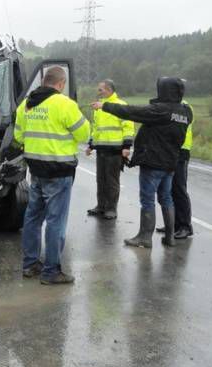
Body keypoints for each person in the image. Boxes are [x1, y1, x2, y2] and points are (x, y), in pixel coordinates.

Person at [91, 77, 192, 249]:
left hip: (153, 161)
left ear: (166, 91)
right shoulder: (185, 111)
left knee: (147, 200)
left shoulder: (161, 110)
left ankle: (145, 237)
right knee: (166, 198)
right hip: (171, 162)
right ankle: (170, 237)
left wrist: (105, 106)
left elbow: (132, 112)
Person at [14, 66, 90, 284]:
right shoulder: (65, 104)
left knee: (33, 217)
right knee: (56, 221)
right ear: (61, 84)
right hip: (59, 172)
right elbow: (84, 133)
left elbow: (19, 136)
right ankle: (51, 272)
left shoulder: (26, 104)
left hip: (36, 171)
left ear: (44, 81)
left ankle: (30, 264)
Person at [85, 79, 135, 220]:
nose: (98, 92)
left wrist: (126, 146)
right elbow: (96, 129)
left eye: (100, 89)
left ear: (109, 90)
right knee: (100, 180)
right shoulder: (99, 108)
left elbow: (128, 128)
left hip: (115, 151)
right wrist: (90, 145)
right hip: (101, 150)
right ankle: (101, 206)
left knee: (112, 181)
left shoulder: (121, 105)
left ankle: (111, 209)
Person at [157, 101, 194, 239]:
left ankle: (185, 226)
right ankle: (172, 224)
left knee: (179, 189)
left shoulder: (184, 107)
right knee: (169, 189)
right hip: (169, 151)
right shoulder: (169, 105)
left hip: (181, 150)